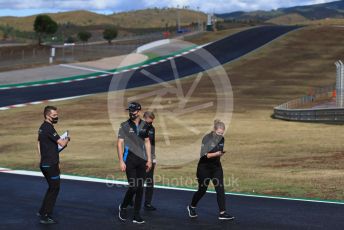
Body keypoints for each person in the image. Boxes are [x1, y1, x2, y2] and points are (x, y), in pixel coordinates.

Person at [187, 120, 234, 221]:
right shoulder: (206, 138)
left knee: (220, 189)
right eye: (218, 133)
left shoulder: (222, 139)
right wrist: (216, 154)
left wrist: (219, 154)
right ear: (214, 130)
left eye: (222, 133)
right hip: (204, 167)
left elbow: (219, 151)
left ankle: (222, 213)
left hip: (216, 167)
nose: (220, 135)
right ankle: (192, 206)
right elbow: (204, 155)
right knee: (202, 190)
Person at [117, 102, 152, 224]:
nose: (131, 113)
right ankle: (124, 206)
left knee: (140, 188)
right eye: (130, 111)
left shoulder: (145, 125)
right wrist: (121, 160)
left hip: (142, 160)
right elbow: (120, 143)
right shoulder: (124, 125)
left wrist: (149, 159)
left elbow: (147, 142)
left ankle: (137, 215)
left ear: (139, 111)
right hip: (129, 160)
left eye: (133, 111)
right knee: (133, 187)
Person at [37, 106, 70, 224]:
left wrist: (42, 158)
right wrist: (67, 138)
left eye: (56, 115)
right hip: (51, 164)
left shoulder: (41, 128)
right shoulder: (49, 128)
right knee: (55, 188)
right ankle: (46, 215)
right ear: (47, 116)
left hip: (45, 163)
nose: (56, 117)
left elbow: (39, 143)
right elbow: (61, 143)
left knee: (51, 187)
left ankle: (42, 211)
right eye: (54, 115)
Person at [143, 111, 157, 211]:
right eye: (149, 120)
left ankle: (147, 203)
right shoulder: (140, 128)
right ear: (145, 118)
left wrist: (153, 157)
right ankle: (130, 200)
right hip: (142, 158)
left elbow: (152, 144)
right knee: (139, 181)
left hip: (150, 158)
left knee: (150, 182)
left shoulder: (152, 128)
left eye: (152, 121)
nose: (150, 122)